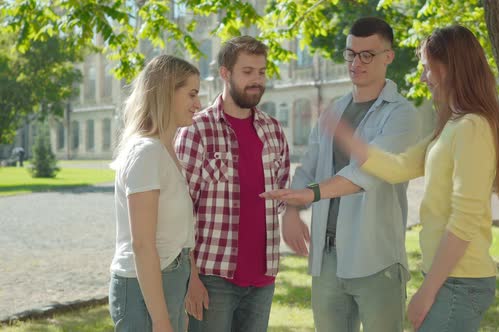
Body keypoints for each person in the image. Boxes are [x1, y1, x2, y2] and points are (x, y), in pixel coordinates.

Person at [329, 25, 499, 331]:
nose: (424, 77)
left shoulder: (472, 128)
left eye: (427, 68)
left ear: (450, 67)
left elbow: (464, 219)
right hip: (449, 278)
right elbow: (399, 167)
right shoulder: (451, 126)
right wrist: (348, 137)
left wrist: (427, 293)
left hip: (460, 281)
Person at [261, 17, 420, 332]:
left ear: (388, 56)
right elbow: (308, 167)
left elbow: (368, 171)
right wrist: (291, 210)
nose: (356, 63)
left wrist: (312, 194)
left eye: (367, 55)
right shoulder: (334, 111)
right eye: (351, 54)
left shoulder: (402, 114)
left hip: (376, 257)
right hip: (327, 257)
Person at [175, 35, 290, 332]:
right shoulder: (196, 131)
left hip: (264, 279)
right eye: (248, 72)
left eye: (262, 72)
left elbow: (280, 198)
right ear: (225, 73)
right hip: (213, 276)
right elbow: (179, 212)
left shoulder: (274, 130)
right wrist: (192, 277)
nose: (257, 80)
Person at [108, 55, 201, 332]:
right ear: (165, 92)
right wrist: (160, 320)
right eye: (192, 94)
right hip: (143, 289)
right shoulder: (146, 153)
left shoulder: (166, 151)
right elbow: (143, 245)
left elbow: (179, 232)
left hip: (167, 280)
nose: (198, 105)